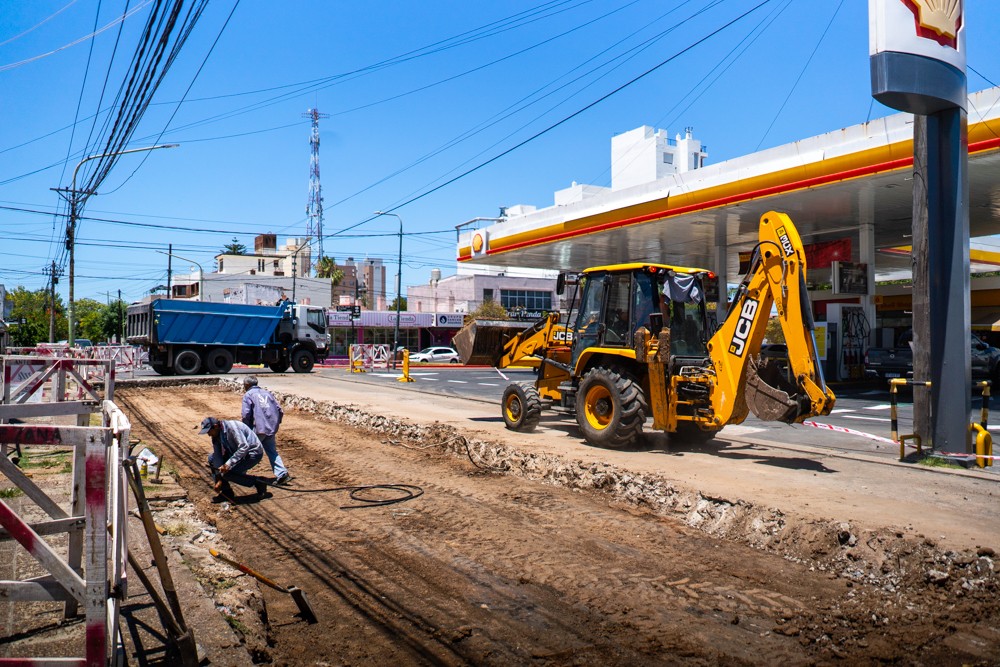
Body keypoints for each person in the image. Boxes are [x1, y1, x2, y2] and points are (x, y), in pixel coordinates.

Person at [198, 417, 269, 503]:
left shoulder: (232, 428)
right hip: (235, 452)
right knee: (211, 458)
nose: (209, 434)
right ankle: (226, 492)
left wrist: (227, 465)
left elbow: (244, 447)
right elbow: (217, 456)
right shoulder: (216, 436)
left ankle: (259, 482)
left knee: (229, 474)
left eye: (209, 431)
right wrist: (218, 477)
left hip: (252, 453)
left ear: (216, 426)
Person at [241, 376, 291, 485]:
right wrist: (275, 423)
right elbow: (279, 410)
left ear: (247, 385)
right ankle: (282, 473)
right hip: (270, 428)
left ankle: (239, 474)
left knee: (247, 451)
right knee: (272, 451)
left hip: (257, 429)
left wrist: (246, 428)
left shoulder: (248, 395)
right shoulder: (267, 393)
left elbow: (246, 414)